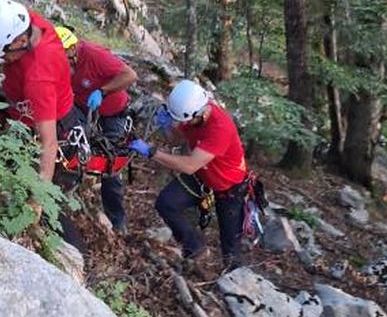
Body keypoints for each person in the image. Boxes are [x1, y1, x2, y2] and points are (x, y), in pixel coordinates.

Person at [129, 77, 250, 273]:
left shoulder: (220, 128)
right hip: (203, 177)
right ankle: (195, 248)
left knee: (231, 251)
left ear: (199, 114)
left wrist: (152, 153)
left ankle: (235, 284)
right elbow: (177, 139)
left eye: (184, 120)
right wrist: (168, 126)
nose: (183, 123)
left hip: (229, 186)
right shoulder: (193, 113)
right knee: (166, 203)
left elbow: (189, 165)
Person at [0, 0, 89, 190]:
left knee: (21, 184)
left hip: (50, 125)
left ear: (22, 41)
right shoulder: (28, 21)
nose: (4, 59)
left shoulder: (38, 79)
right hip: (26, 106)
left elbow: (49, 144)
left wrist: (38, 200)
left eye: (5, 53)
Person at [55, 24, 137, 233]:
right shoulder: (61, 62)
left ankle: (117, 221)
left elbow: (129, 75)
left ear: (72, 49)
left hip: (112, 109)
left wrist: (103, 90)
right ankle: (62, 195)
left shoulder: (94, 55)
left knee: (111, 164)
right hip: (81, 107)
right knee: (71, 146)